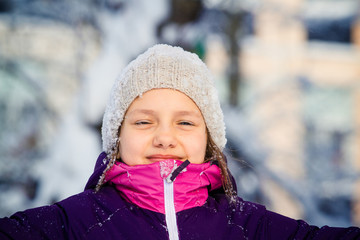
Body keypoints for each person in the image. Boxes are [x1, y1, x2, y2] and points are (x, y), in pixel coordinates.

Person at [0, 44, 359, 240]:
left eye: (185, 122)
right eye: (143, 121)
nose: (164, 137)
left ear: (208, 139)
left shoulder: (248, 228)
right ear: (117, 137)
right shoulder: (74, 224)